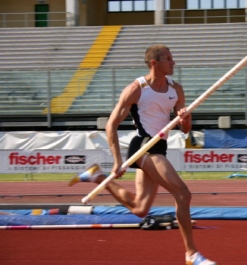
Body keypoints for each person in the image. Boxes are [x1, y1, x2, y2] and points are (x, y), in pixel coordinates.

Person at [69, 44, 216, 265]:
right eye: (169, 58)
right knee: (183, 194)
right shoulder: (136, 89)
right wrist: (118, 161)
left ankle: (97, 177)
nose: (173, 62)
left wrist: (185, 117)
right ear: (154, 63)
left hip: (159, 146)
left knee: (140, 209)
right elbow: (111, 125)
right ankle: (191, 254)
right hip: (144, 147)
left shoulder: (176, 90)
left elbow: (185, 130)